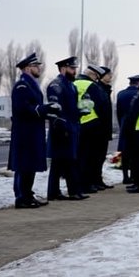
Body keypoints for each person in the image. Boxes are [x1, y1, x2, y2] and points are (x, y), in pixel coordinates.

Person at [8, 53, 60, 208]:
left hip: (32, 131)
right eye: (35, 66)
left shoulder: (31, 85)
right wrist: (44, 109)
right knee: (24, 165)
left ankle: (27, 195)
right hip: (25, 133)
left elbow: (35, 109)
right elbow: (23, 108)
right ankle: (22, 198)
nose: (38, 68)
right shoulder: (22, 86)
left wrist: (49, 112)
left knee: (29, 165)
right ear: (27, 68)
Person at [46, 56, 88, 201]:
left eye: (75, 68)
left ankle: (60, 191)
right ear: (63, 69)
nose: (74, 71)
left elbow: (71, 109)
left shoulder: (71, 86)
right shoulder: (56, 85)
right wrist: (61, 126)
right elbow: (55, 109)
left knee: (65, 161)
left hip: (72, 127)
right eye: (72, 68)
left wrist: (81, 111)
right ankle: (68, 191)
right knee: (63, 161)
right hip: (61, 128)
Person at [74, 64, 114, 192]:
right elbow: (101, 106)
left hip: (77, 123)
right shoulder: (92, 86)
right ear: (92, 75)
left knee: (81, 156)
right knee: (90, 157)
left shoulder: (74, 83)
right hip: (92, 124)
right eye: (96, 76)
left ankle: (83, 183)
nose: (97, 79)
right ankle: (87, 184)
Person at [115, 74, 139, 184]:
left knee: (125, 152)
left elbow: (118, 112)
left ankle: (125, 176)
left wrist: (121, 124)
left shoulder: (121, 94)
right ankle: (134, 176)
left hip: (124, 124)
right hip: (137, 125)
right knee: (136, 152)